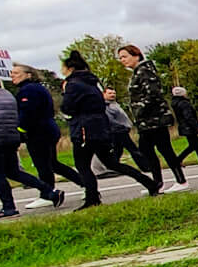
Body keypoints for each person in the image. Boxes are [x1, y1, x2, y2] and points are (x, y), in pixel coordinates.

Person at [0, 65, 63, 218]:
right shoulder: (4, 92)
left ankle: (9, 207)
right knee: (13, 171)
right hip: (9, 136)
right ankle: (50, 191)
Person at [61, 50, 159, 199]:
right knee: (112, 163)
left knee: (82, 165)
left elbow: (67, 107)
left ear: (69, 68)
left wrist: (65, 94)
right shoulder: (93, 82)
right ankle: (148, 182)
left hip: (83, 128)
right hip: (100, 126)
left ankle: (92, 197)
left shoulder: (73, 84)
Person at [12, 62, 92, 204]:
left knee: (43, 164)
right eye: (12, 73)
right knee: (53, 164)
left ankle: (47, 194)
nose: (13, 76)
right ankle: (86, 185)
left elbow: (27, 113)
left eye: (17, 73)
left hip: (39, 132)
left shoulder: (29, 90)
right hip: (48, 129)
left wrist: (19, 131)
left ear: (28, 75)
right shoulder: (36, 88)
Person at [116, 44, 189, 191]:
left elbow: (153, 94)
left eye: (125, 56)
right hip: (146, 121)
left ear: (136, 55)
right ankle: (157, 183)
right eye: (120, 58)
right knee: (147, 150)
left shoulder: (145, 71)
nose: (122, 60)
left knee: (164, 149)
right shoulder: (137, 72)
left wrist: (139, 109)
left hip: (154, 119)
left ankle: (181, 181)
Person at [169, 86, 198, 166]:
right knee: (194, 145)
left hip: (183, 126)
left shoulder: (176, 104)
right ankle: (178, 160)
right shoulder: (184, 103)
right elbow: (189, 116)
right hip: (189, 127)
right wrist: (196, 126)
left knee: (196, 144)